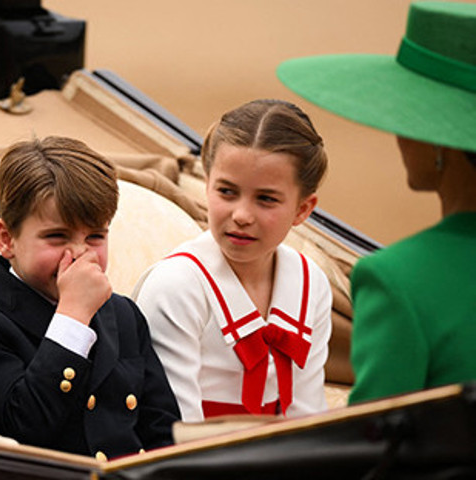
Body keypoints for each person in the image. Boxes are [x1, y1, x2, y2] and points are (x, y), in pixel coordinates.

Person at [277, 1, 476, 405]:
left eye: (407, 116)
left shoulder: (399, 281)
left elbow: (373, 449)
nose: (399, 135)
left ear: (441, 140)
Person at [0, 136, 180, 460]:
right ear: (7, 239)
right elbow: (24, 425)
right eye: (57, 237)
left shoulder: (122, 315)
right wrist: (72, 316)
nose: (79, 253)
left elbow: (163, 432)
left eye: (95, 237)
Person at [134, 99, 332, 422]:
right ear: (207, 184)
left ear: (303, 209)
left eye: (266, 199)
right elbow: (175, 430)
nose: (241, 216)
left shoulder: (312, 284)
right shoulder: (176, 286)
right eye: (226, 191)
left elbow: (307, 418)